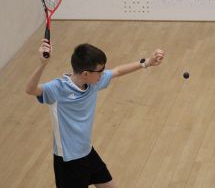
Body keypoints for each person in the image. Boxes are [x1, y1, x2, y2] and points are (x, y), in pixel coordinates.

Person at [25, 39, 165, 188]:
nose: (103, 73)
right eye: (100, 71)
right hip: (68, 161)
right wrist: (42, 64)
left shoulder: (93, 82)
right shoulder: (57, 89)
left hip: (87, 152)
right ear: (85, 73)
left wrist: (147, 62)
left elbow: (117, 71)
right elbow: (30, 89)